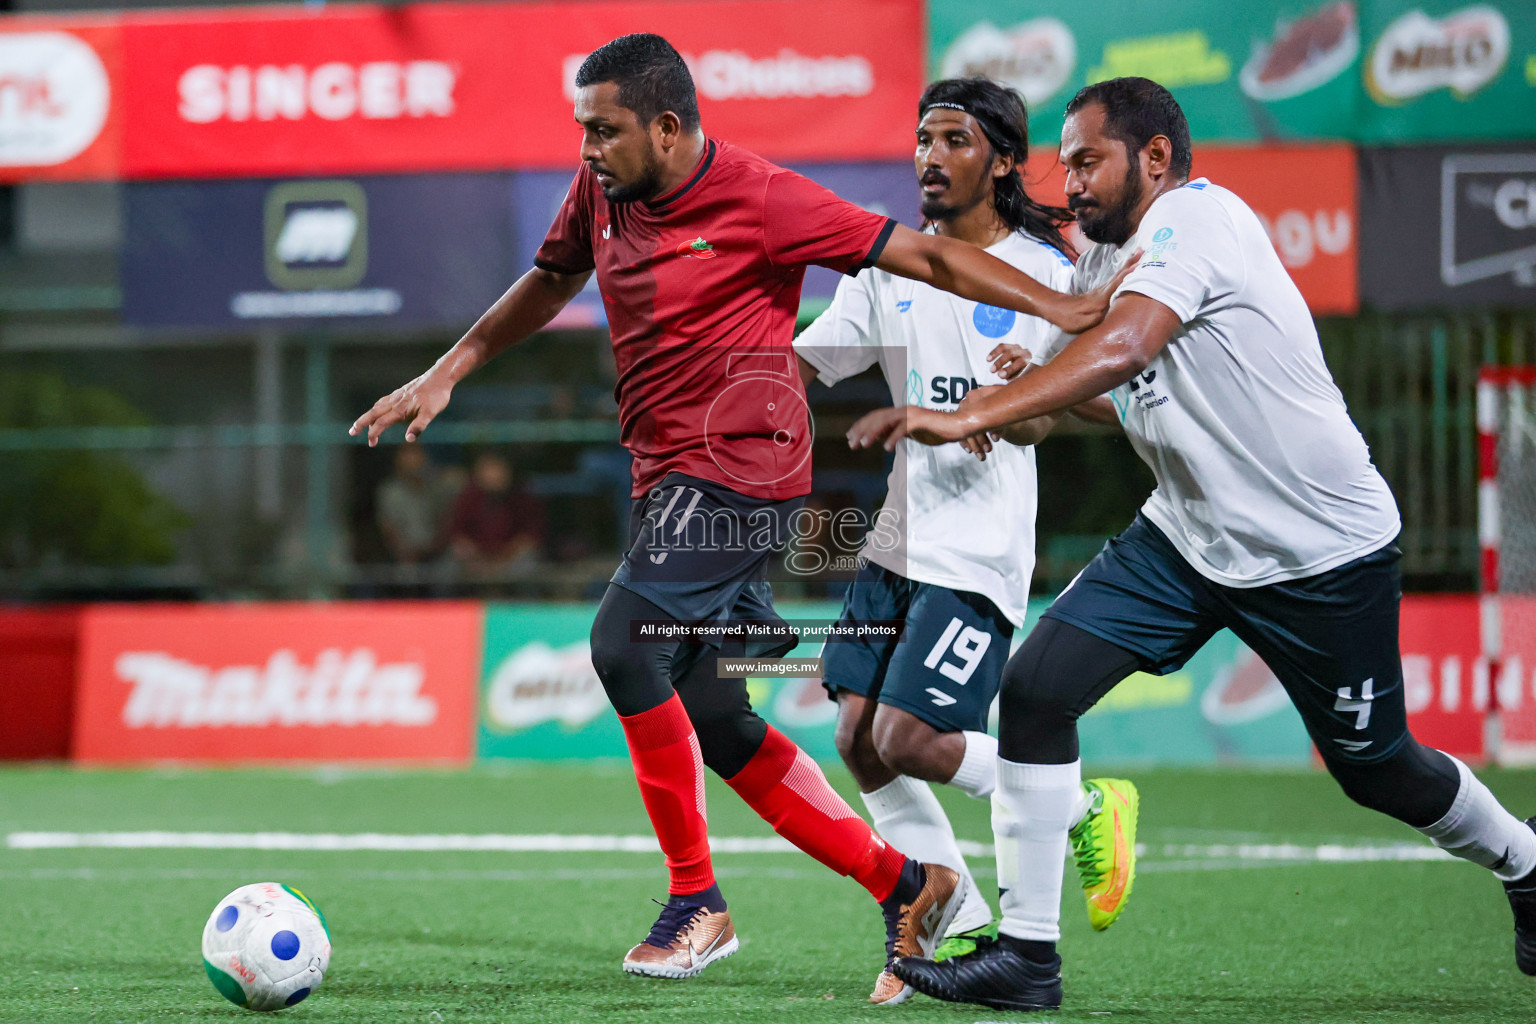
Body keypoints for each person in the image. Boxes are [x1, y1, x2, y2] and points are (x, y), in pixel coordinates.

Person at [351, 34, 1127, 1003]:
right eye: (582, 130)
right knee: (717, 714)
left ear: (667, 128)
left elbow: (925, 253)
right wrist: (448, 369)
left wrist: (1068, 304)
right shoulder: (602, 188)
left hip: (742, 473)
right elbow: (553, 277)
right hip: (665, 477)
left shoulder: (765, 196)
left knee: (626, 645)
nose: (588, 149)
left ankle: (695, 902)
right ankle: (907, 881)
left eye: (605, 130)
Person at [848, 76, 1536, 1011]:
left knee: (1378, 770)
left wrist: (985, 403)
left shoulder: (1199, 225)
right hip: (1184, 536)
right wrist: (1022, 402)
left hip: (1319, 552)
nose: (1071, 180)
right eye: (1065, 160)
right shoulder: (1099, 261)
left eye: (1089, 160)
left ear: (1156, 160)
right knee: (1036, 692)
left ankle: (1525, 861)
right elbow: (1100, 393)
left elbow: (1128, 348)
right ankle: (1028, 959)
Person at [792, 76, 1139, 971]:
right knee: (856, 739)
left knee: (910, 737)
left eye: (952, 141)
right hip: (897, 539)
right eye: (922, 141)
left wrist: (1015, 398)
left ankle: (1082, 808)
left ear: (1004, 160)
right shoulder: (889, 264)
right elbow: (808, 367)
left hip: (979, 548)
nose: (930, 159)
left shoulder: (1052, 275)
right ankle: (962, 913)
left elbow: (1072, 412)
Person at [447, 450, 545, 571]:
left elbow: (530, 536)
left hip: (510, 559)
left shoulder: (523, 498)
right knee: (449, 565)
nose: (494, 475)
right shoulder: (467, 498)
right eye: (488, 470)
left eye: (498, 469)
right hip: (475, 560)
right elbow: (458, 535)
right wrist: (477, 558)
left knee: (528, 563)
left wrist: (504, 558)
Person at [375, 444, 455, 566]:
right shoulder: (390, 492)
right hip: (401, 556)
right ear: (398, 458)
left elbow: (446, 522)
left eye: (416, 453)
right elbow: (388, 529)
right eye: (407, 454)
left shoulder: (438, 489)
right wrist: (406, 552)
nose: (412, 459)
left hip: (435, 554)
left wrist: (432, 549)